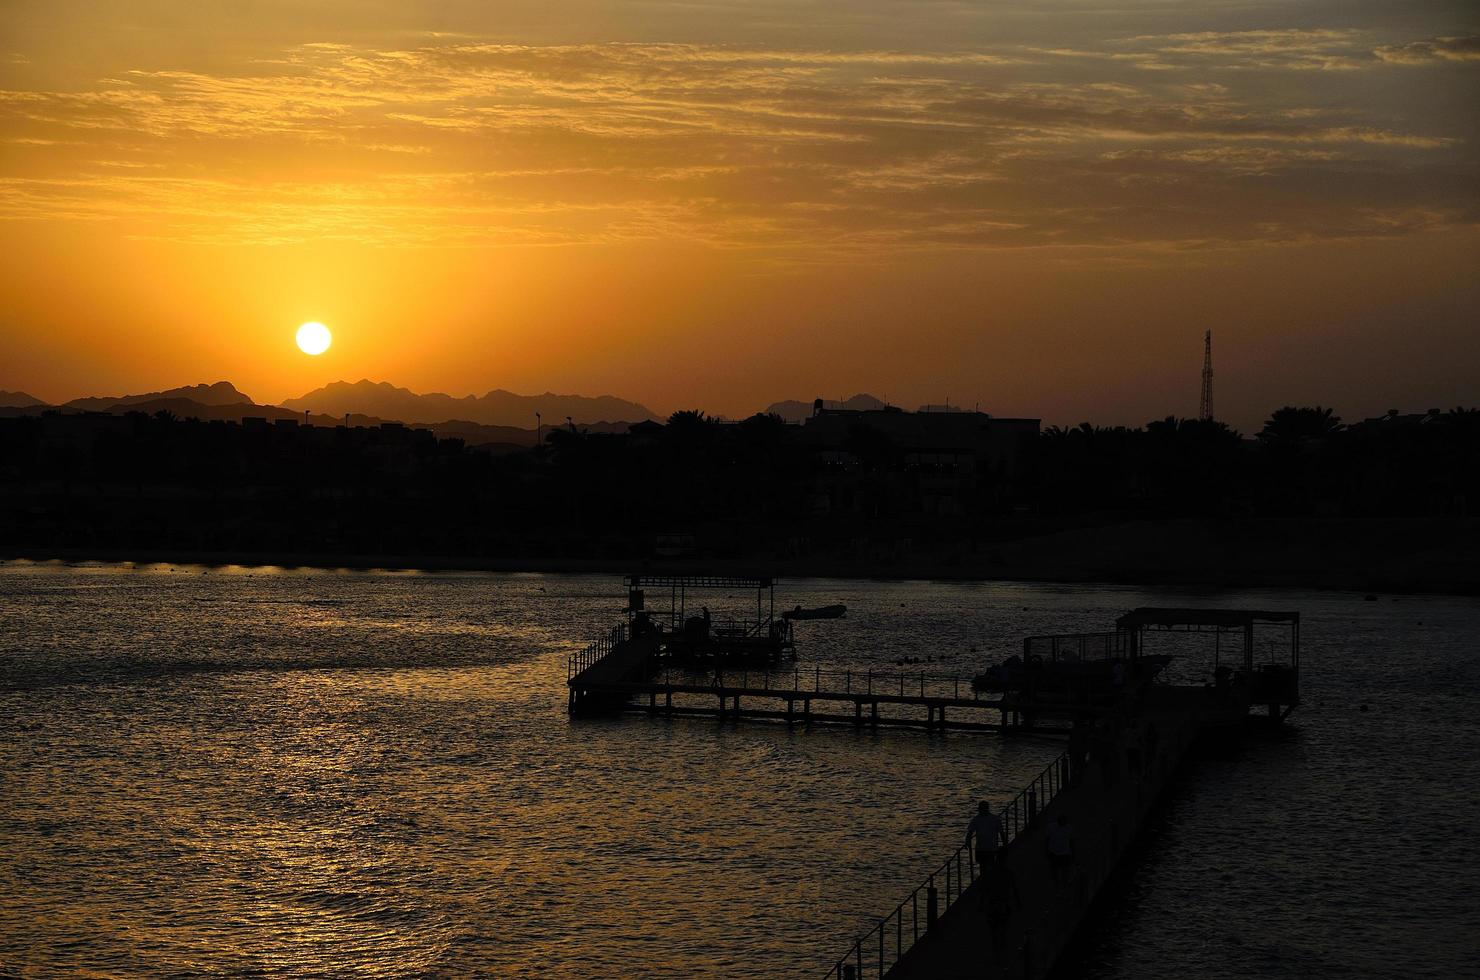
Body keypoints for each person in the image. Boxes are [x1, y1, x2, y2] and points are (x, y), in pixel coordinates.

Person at [966, 801, 1005, 875]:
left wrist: (967, 841)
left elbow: (969, 833)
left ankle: (986, 881)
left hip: (985, 848)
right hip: (986, 847)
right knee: (987, 865)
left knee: (984, 866)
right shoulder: (994, 819)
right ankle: (988, 880)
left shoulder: (977, 819)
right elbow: (1001, 833)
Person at [1046, 813, 1073, 889]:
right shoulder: (1051, 827)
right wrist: (1046, 851)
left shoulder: (1069, 828)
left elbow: (1071, 841)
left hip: (1065, 852)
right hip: (1054, 852)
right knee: (1055, 870)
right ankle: (1057, 885)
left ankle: (1063, 885)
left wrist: (1072, 852)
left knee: (1065, 870)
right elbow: (1047, 839)